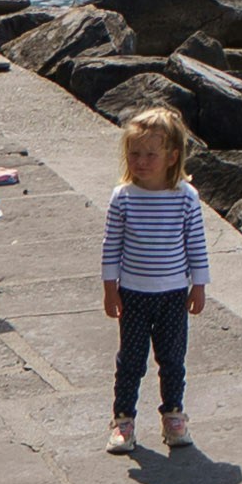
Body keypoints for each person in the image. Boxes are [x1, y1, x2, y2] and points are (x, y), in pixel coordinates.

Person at [101, 101, 210, 453]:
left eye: (150, 154)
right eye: (134, 154)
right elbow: (111, 245)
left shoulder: (185, 198)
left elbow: (196, 245)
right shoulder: (124, 197)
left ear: (172, 157)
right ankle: (123, 421)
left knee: (173, 359)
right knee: (130, 361)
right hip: (133, 292)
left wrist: (199, 286)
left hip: (173, 293)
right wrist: (109, 288)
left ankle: (174, 416)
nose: (141, 161)